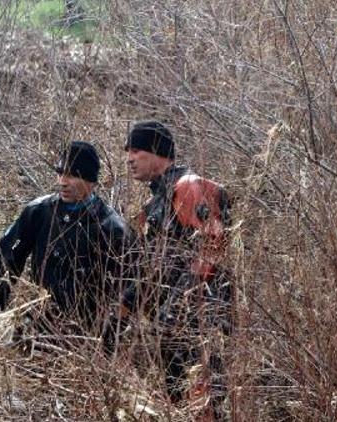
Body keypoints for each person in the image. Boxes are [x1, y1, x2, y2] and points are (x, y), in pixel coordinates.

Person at [105, 121, 231, 418]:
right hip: (174, 331)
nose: (129, 158)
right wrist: (121, 311)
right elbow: (155, 267)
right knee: (179, 406)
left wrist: (178, 305)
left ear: (157, 152)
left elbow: (215, 244)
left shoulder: (187, 187)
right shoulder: (157, 201)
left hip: (201, 325)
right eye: (127, 151)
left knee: (204, 406)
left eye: (136, 150)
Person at [0, 141, 131, 334]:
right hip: (36, 322)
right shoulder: (39, 211)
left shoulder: (112, 227)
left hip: (85, 334)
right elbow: (6, 257)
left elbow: (131, 287)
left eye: (71, 175)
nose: (62, 181)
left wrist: (109, 335)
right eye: (60, 173)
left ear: (90, 180)